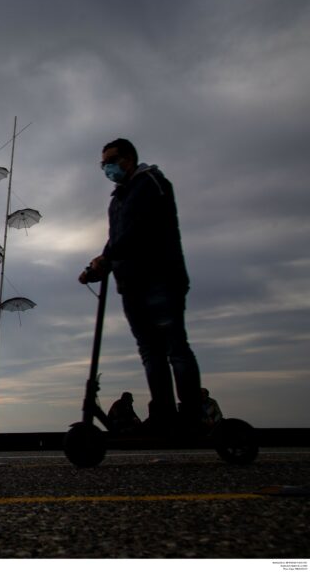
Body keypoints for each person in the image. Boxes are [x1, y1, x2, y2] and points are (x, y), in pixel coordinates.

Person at [80, 138, 203, 433]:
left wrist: (106, 258)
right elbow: (117, 238)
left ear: (128, 158)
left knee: (175, 348)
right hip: (131, 284)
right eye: (102, 164)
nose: (106, 168)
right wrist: (100, 265)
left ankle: (191, 415)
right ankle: (165, 415)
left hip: (160, 278)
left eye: (110, 161)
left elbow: (139, 231)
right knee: (150, 351)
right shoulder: (118, 198)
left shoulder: (150, 184)